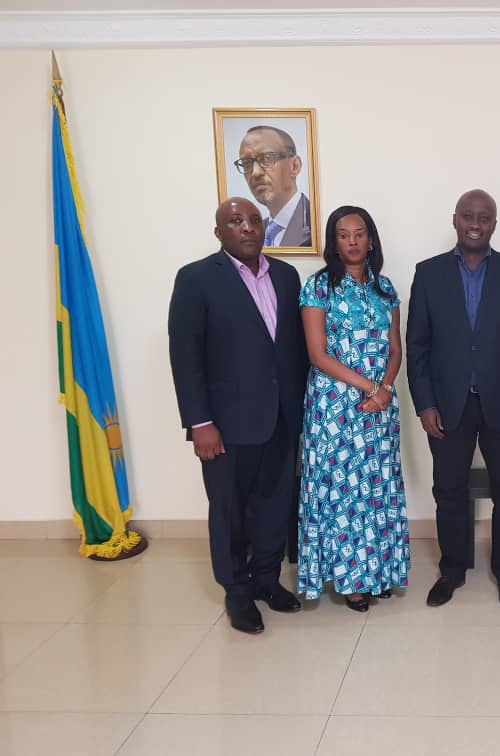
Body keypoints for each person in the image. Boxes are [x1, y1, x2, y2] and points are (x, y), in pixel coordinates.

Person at [168, 197, 307, 634]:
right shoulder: (195, 279)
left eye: (253, 220)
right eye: (235, 221)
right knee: (228, 509)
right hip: (225, 425)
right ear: (219, 233)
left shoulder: (286, 276)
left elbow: (292, 349)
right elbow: (185, 357)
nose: (247, 227)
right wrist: (199, 423)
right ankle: (236, 591)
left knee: (274, 503)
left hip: (282, 417)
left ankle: (266, 579)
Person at [406, 189, 500, 610]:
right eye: (468, 215)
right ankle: (452, 570)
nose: (475, 223)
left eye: (484, 217)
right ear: (455, 220)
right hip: (448, 406)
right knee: (448, 490)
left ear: (494, 224)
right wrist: (425, 405)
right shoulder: (428, 274)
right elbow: (417, 347)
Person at [297, 206, 410, 612]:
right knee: (343, 493)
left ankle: (377, 573)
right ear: (334, 242)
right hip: (335, 407)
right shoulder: (318, 287)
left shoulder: (385, 288)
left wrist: (385, 389)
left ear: (371, 239)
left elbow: (395, 348)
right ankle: (349, 580)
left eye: (359, 234)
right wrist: (371, 387)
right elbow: (317, 355)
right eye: (343, 235)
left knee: (376, 488)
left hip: (379, 407)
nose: (352, 242)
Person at [235, 125, 311, 247]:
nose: (255, 173)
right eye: (246, 163)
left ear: (295, 166)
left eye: (267, 158)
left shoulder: (315, 223)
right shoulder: (256, 231)